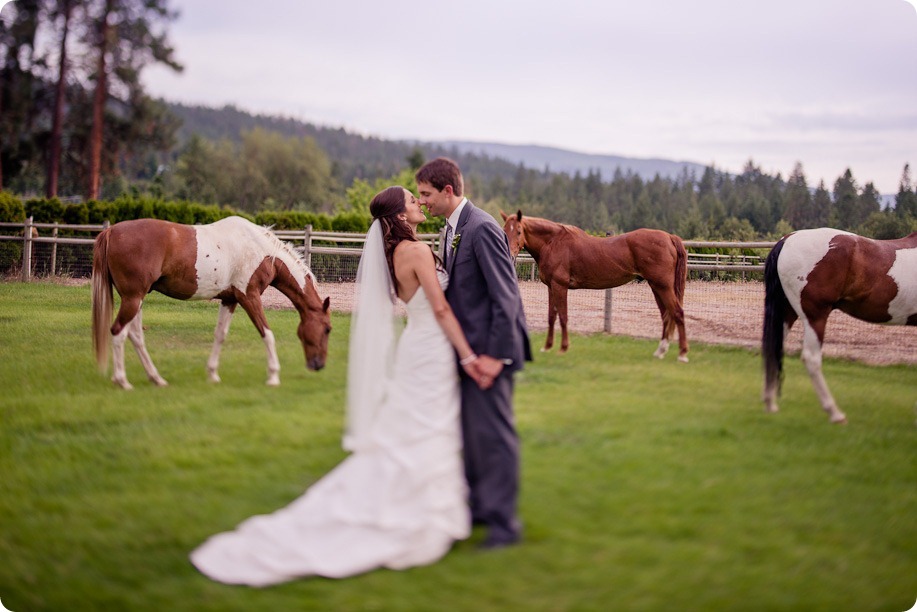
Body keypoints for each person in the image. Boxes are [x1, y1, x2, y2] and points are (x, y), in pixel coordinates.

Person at [189, 186, 487, 586]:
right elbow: (440, 307)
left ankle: (425, 506)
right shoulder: (414, 252)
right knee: (424, 428)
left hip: (419, 348)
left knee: (417, 430)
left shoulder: (397, 253)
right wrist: (469, 355)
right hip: (431, 349)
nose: (419, 203)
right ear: (399, 216)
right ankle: (418, 513)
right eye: (412, 201)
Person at [415, 157, 532, 549]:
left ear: (448, 191)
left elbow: (506, 296)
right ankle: (482, 506)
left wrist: (495, 357)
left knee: (494, 435)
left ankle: (504, 525)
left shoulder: (480, 228)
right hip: (470, 353)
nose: (422, 201)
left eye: (426, 194)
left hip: (491, 352)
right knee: (474, 434)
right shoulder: (453, 230)